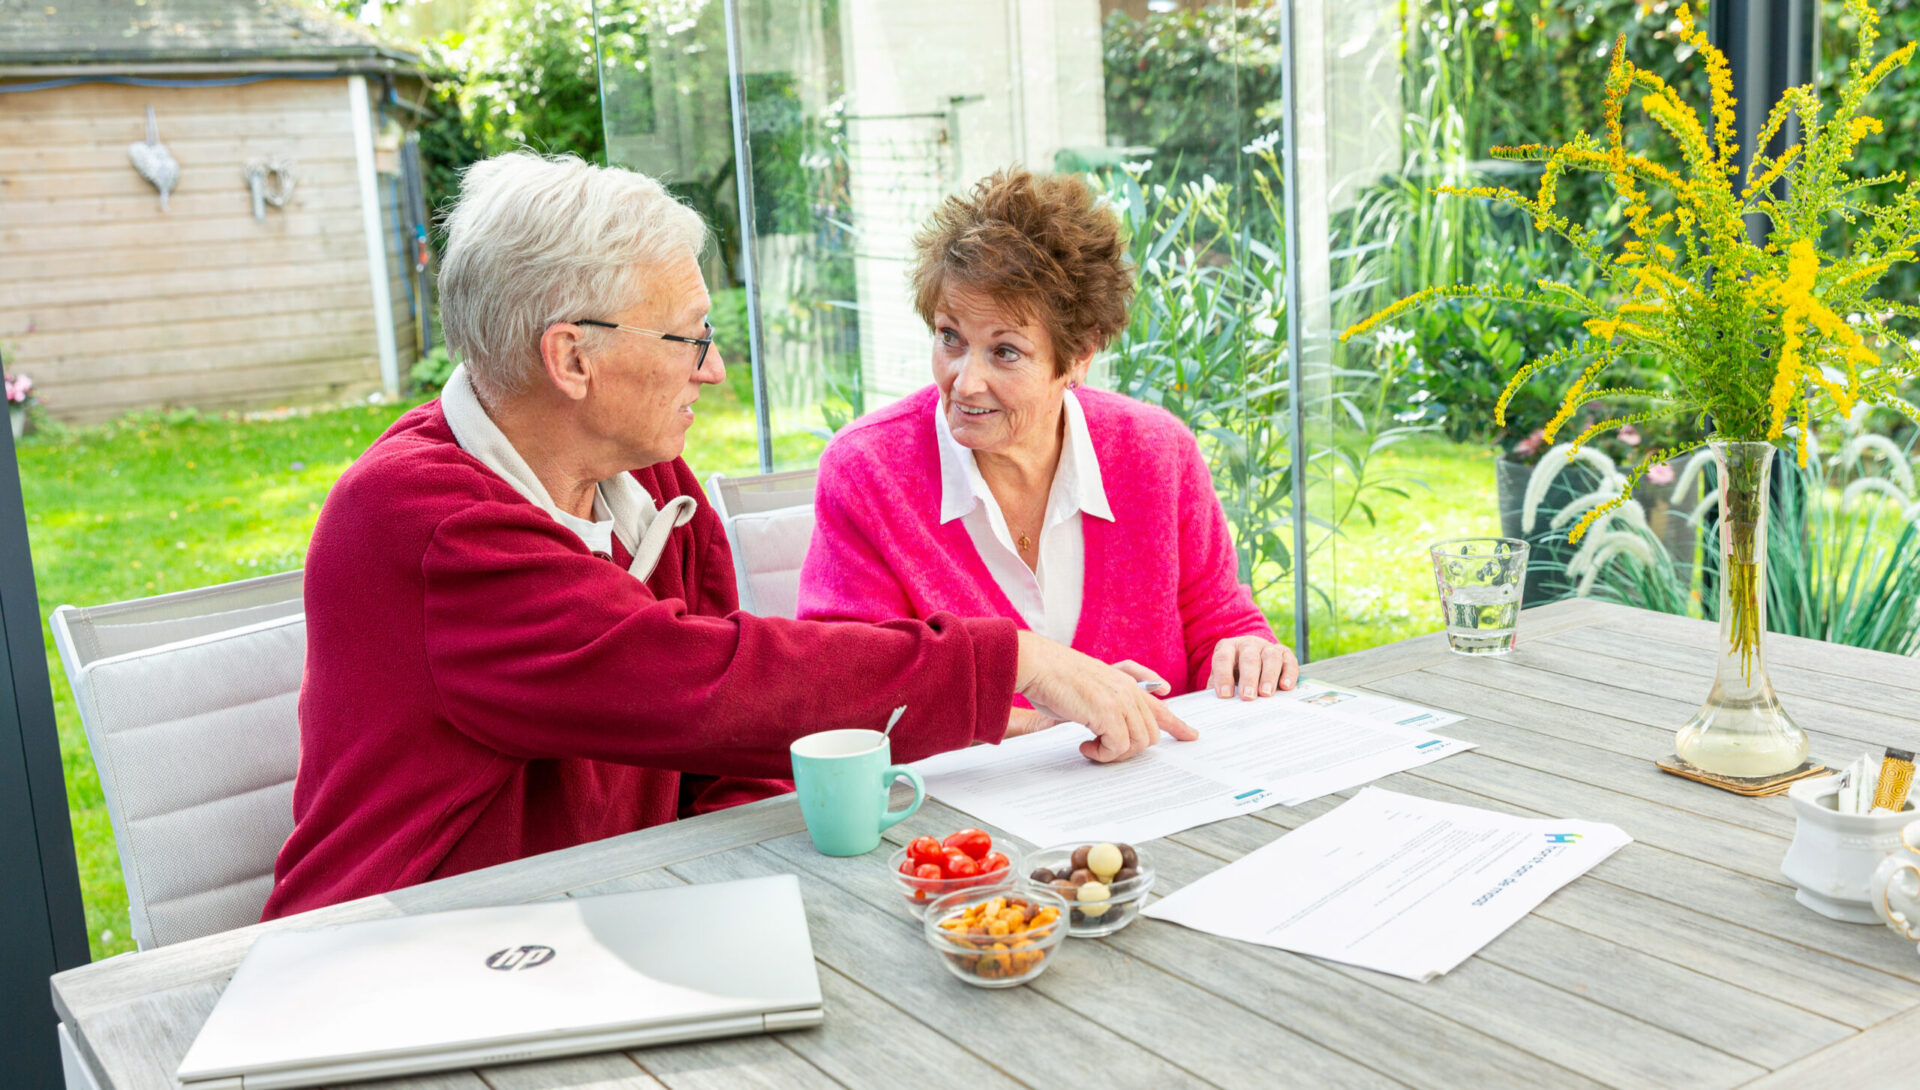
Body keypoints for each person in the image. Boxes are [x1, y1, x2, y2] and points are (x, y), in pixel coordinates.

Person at [264, 154, 1192, 919]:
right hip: (407, 953)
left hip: (613, 912)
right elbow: (700, 679)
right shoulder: (423, 526)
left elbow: (719, 753)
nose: (712, 370)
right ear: (572, 357)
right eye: (689, 338)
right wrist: (1011, 661)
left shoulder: (646, 480)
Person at [797, 169, 1297, 722]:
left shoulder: (1159, 454)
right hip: (954, 807)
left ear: (1078, 355)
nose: (964, 382)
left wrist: (1246, 652)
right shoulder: (867, 472)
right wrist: (1048, 723)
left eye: (1005, 351)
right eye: (950, 337)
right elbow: (845, 693)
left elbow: (1220, 625)